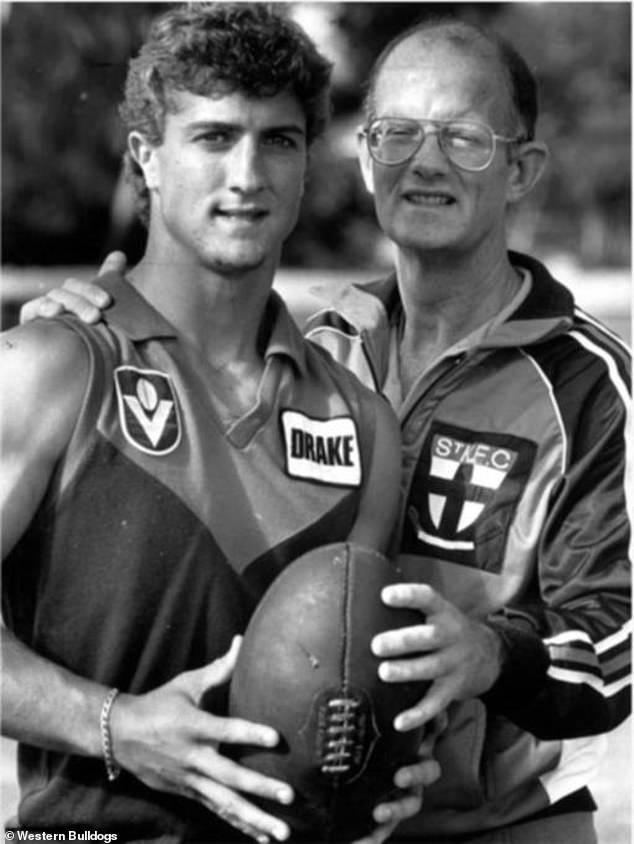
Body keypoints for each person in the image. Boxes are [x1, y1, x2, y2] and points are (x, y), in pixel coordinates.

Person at [21, 15, 632, 844]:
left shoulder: (572, 388)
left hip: (501, 825)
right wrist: (118, 727)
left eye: (463, 138)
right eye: (398, 133)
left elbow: (612, 634)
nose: (426, 160)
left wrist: (476, 666)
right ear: (145, 159)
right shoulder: (314, 347)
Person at [0, 5, 437, 842]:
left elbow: (348, 681)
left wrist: (392, 759)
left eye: (278, 140)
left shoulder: (366, 429)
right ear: (145, 160)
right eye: (212, 137)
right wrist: (118, 727)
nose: (248, 173)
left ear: (309, 166)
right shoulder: (50, 368)